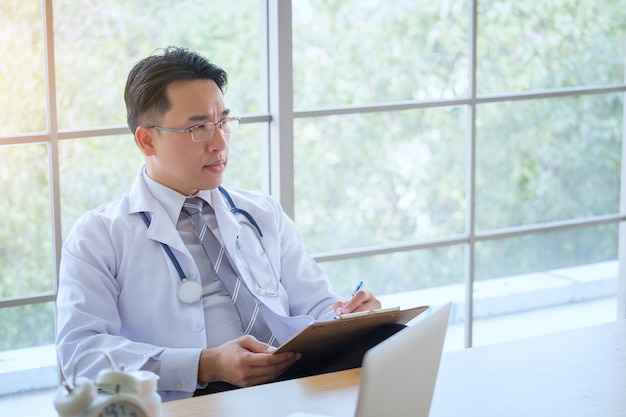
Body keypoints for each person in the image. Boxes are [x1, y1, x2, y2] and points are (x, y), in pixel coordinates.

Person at [55, 46, 382, 402]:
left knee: (382, 344)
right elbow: (80, 357)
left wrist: (347, 316)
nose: (220, 143)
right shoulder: (98, 236)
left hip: (295, 384)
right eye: (198, 128)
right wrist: (205, 365)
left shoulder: (261, 212)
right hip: (202, 400)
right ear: (147, 140)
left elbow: (315, 303)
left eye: (223, 122)